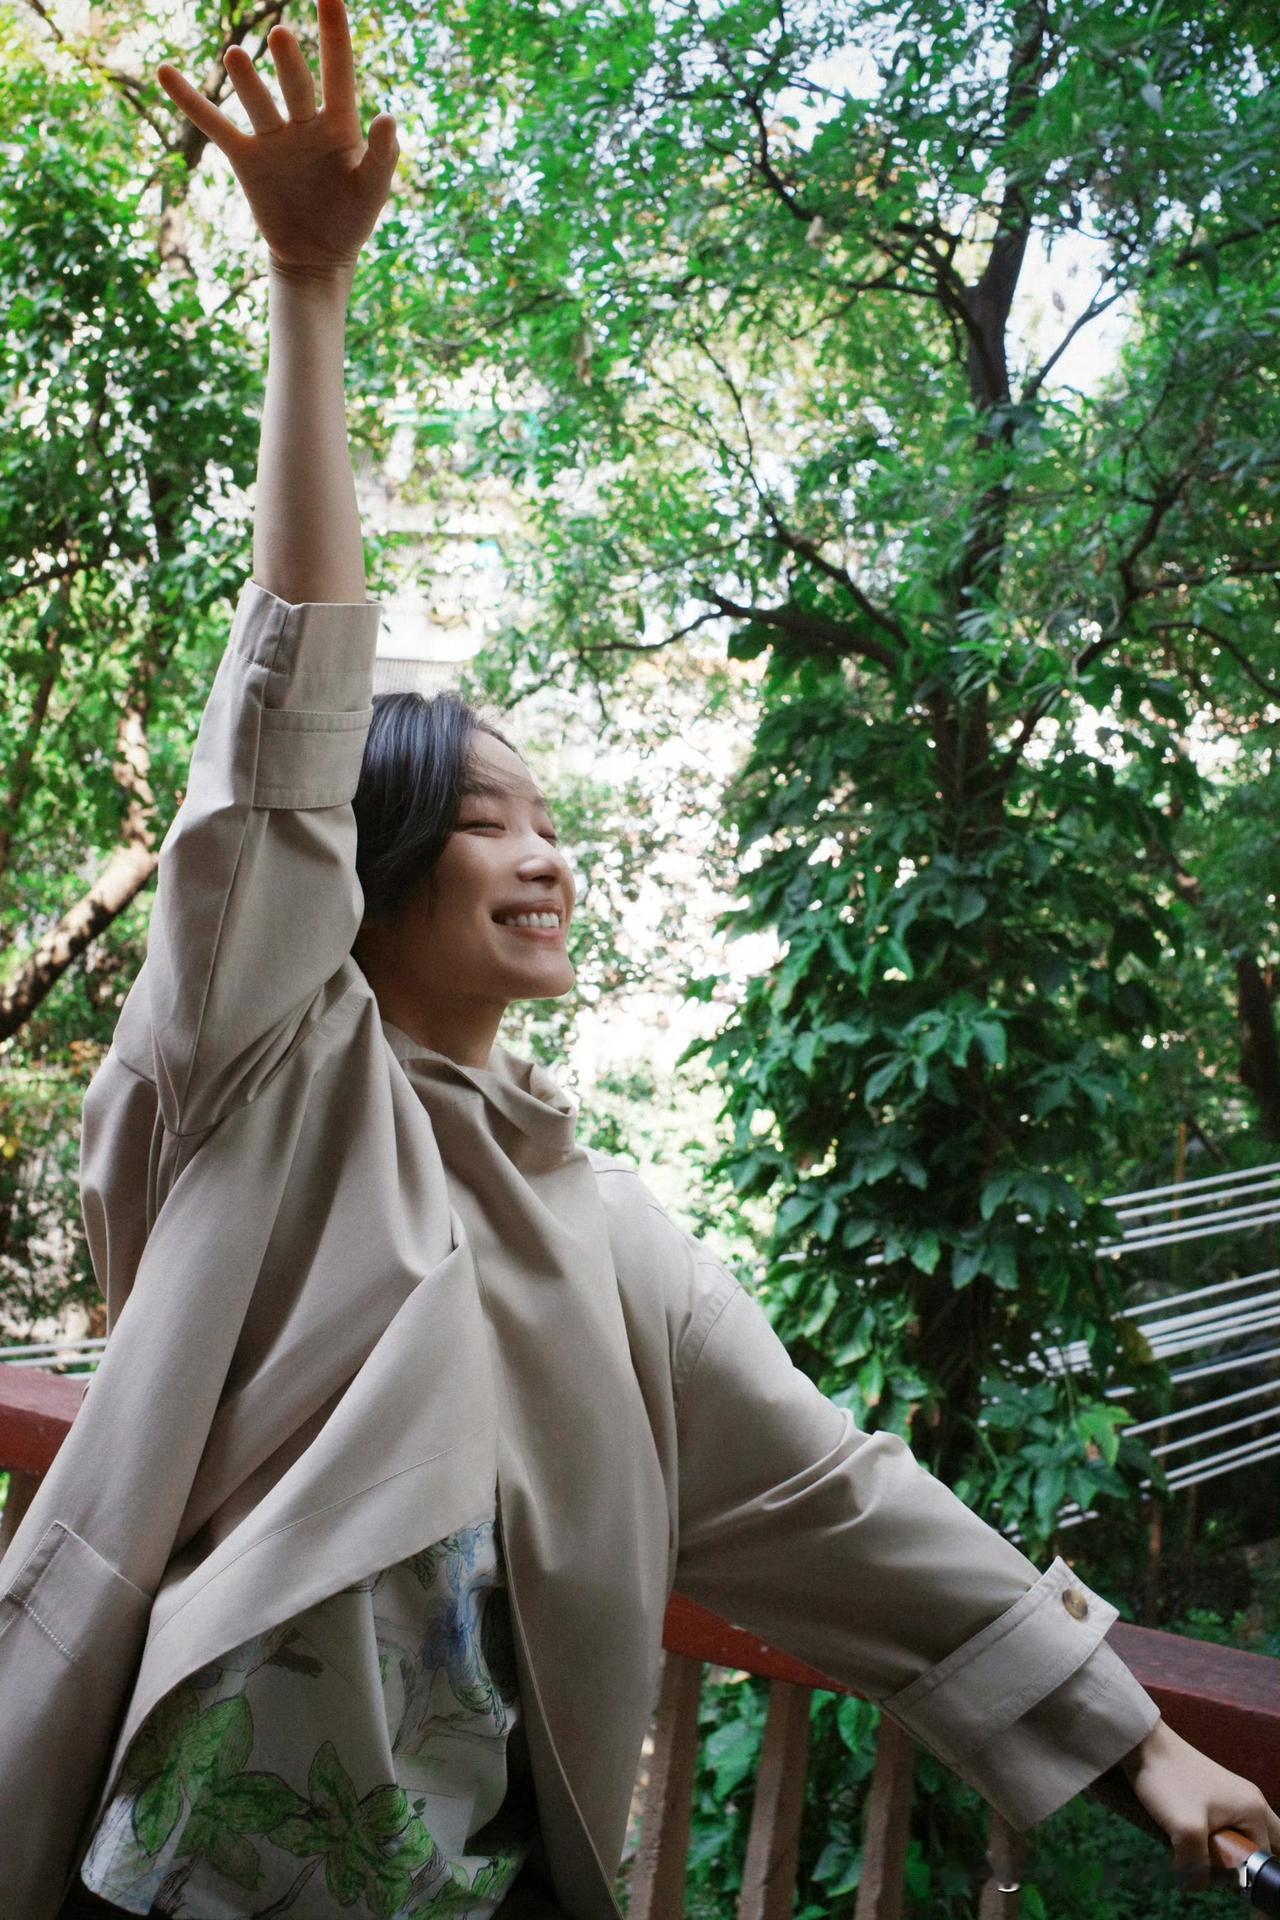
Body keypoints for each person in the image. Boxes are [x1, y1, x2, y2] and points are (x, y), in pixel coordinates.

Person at [2, 1, 1275, 1914]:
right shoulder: (267, 1075)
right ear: (374, 864)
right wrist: (308, 293)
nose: (548, 856)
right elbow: (279, 755)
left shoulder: (605, 1226)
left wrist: (1137, 1736)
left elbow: (833, 1500)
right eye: (488, 819)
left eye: (550, 818)